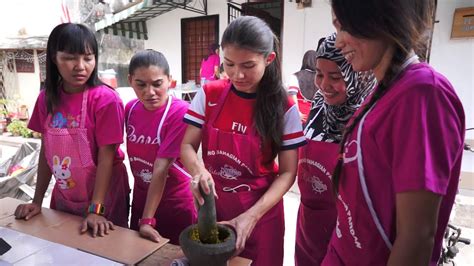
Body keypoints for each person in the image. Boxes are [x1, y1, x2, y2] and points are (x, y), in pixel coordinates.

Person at [322, 1, 465, 265]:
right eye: (336, 27)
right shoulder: (384, 89)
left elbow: (417, 236)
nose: (338, 42)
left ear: (383, 19)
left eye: (346, 27)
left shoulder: (422, 94)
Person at [181, 16, 306, 265]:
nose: (237, 74)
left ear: (268, 59)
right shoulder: (210, 94)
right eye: (229, 64)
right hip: (216, 209)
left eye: (248, 65)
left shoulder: (284, 107)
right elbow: (186, 146)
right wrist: (199, 171)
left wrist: (251, 216)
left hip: (261, 215)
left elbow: (288, 172)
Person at [14, 23, 130, 237]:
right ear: (53, 57)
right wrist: (37, 201)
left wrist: (96, 209)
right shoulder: (46, 98)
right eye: (69, 58)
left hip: (104, 197)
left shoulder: (106, 99)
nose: (80, 66)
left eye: (88, 57)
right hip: (65, 194)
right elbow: (46, 152)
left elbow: (107, 157)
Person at [295, 33, 376, 266]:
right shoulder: (319, 106)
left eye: (335, 76)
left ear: (357, 76)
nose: (323, 85)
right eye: (319, 74)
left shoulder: (368, 120)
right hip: (308, 228)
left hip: (346, 234)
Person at [125, 50, 197, 244]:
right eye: (141, 84)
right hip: (141, 199)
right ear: (130, 80)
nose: (149, 92)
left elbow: (161, 167)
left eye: (157, 84)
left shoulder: (180, 112)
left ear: (169, 80)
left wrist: (147, 220)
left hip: (175, 204)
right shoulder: (130, 109)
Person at [286, 50, 318, 123]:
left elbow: (292, 95)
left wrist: (297, 113)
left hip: (300, 116)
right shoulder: (319, 78)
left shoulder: (295, 76)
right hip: (313, 117)